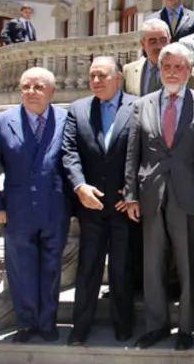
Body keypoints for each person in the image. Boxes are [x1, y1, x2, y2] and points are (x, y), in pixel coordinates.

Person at [124, 43, 194, 351]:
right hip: (151, 194)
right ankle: (156, 326)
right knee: (152, 265)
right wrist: (131, 194)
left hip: (187, 195)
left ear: (189, 71)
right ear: (159, 70)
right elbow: (133, 153)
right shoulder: (142, 104)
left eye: (179, 67)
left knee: (188, 264)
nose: (172, 72)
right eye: (167, 67)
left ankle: (186, 327)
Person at [0, 67, 70, 343]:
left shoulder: (66, 120)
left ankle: (47, 323)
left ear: (52, 91)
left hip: (55, 209)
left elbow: (74, 162)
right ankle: (26, 322)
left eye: (38, 87)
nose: (31, 92)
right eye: (26, 86)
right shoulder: (0, 122)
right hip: (17, 210)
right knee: (21, 269)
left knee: (52, 268)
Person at [61, 57, 138, 346]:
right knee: (88, 268)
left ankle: (123, 325)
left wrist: (132, 191)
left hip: (122, 205)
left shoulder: (138, 106)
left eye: (102, 76)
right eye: (92, 75)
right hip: (90, 204)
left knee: (121, 268)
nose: (95, 81)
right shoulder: (78, 109)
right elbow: (69, 152)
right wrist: (79, 186)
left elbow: (144, 151)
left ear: (118, 78)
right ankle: (80, 327)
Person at [123, 20, 171, 96]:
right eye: (153, 41)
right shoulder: (129, 71)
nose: (159, 46)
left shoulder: (184, 70)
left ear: (169, 41)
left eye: (163, 40)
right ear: (143, 44)